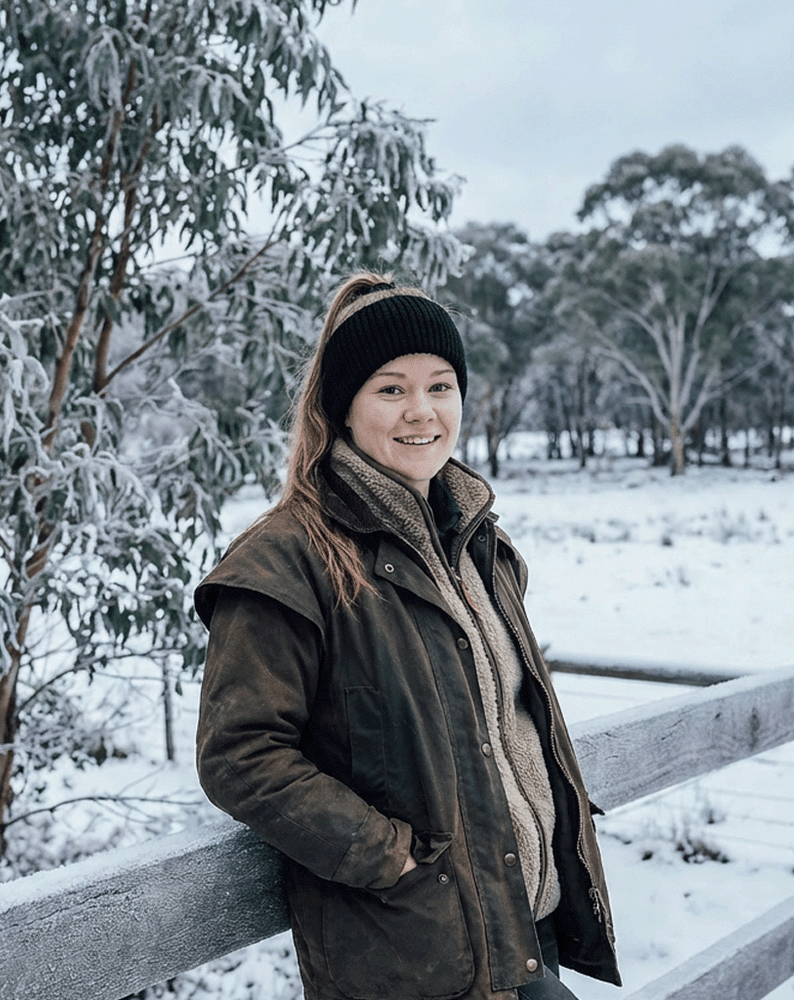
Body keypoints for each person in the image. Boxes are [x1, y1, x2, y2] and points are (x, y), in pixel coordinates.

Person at [194, 274, 620, 1000]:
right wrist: (393, 859)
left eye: (441, 385)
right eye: (390, 389)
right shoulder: (286, 560)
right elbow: (240, 754)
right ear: (343, 407)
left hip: (525, 932)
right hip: (420, 958)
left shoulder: (477, 541)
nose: (422, 411)